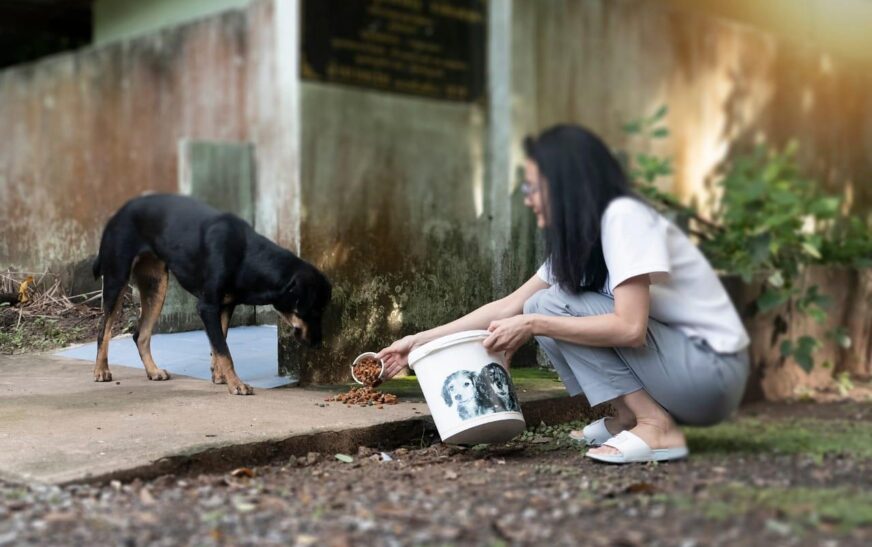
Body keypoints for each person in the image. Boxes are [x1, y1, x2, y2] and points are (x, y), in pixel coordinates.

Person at [377, 125, 750, 464]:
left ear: (565, 183)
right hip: (684, 373)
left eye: (532, 187)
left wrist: (535, 323)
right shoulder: (583, 241)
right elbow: (509, 305)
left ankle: (656, 424)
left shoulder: (623, 216)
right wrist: (417, 341)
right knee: (540, 303)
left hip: (711, 372)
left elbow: (630, 327)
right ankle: (627, 418)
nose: (527, 199)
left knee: (547, 308)